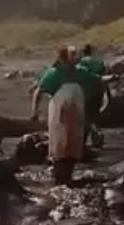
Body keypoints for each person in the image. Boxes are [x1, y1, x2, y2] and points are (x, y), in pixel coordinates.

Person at [31, 47, 103, 185]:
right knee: (60, 144)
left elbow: (97, 81)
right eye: (73, 54)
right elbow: (38, 91)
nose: (76, 57)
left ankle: (68, 177)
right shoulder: (54, 74)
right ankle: (59, 179)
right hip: (59, 115)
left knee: (74, 144)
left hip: (76, 115)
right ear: (63, 58)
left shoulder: (81, 72)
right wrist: (34, 111)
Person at [77, 44, 108, 149]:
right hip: (98, 87)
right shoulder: (98, 61)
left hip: (86, 89)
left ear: (83, 52)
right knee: (94, 114)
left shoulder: (81, 61)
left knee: (85, 116)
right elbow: (103, 72)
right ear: (91, 52)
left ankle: (86, 140)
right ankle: (95, 139)